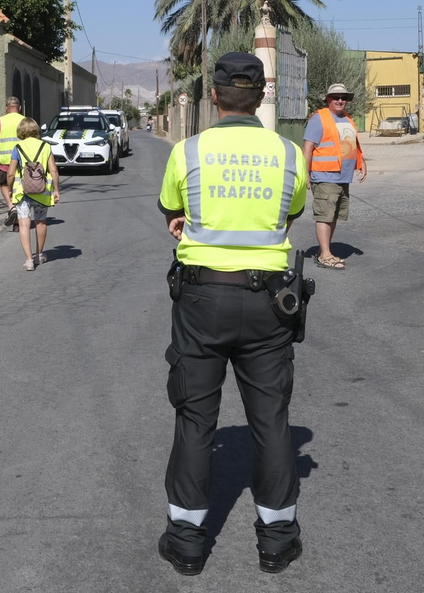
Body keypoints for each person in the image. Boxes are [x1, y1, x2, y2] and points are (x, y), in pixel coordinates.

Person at [156, 53, 308, 576]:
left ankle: (187, 541)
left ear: (215, 95)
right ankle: (278, 539)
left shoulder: (188, 151)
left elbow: (172, 208)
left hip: (201, 300)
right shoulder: (289, 154)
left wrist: (187, 224)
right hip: (270, 303)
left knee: (196, 417)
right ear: (262, 95)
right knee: (271, 418)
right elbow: (290, 211)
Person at [302, 84, 366, 270]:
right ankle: (325, 255)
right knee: (324, 216)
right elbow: (307, 147)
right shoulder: (319, 118)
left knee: (334, 216)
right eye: (336, 97)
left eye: (343, 97)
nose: (340, 100)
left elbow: (350, 143)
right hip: (325, 176)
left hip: (342, 177)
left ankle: (325, 251)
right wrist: (305, 174)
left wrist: (361, 163)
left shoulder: (347, 119)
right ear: (328, 99)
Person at [4, 118, 60, 271]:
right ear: (36, 130)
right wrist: (56, 189)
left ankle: (29, 260)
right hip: (42, 192)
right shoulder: (46, 146)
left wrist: (9, 189)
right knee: (41, 222)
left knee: (24, 224)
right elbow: (53, 170)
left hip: (23, 193)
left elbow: (10, 173)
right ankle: (39, 255)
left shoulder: (18, 148)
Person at [0, 97, 26, 228]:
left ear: (6, 108)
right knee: (20, 190)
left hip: (5, 164)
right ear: (19, 108)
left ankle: (11, 206)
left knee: (4, 184)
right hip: (22, 164)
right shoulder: (25, 121)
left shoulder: (0, 122)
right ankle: (19, 220)